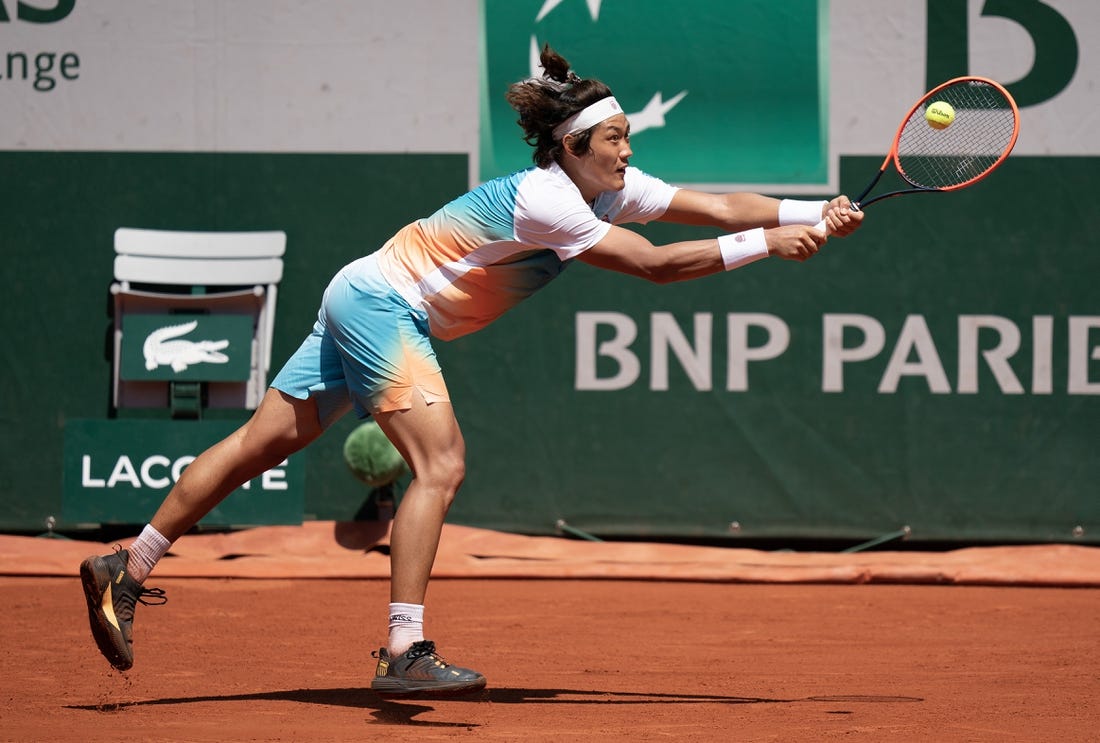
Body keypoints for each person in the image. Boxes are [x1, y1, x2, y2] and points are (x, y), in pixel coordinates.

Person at [80, 44, 863, 695]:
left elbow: (723, 208)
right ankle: (402, 652)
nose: (629, 149)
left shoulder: (610, 188)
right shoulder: (551, 201)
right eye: (616, 138)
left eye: (629, 136)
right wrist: (769, 247)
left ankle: (128, 560)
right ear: (572, 147)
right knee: (442, 462)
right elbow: (657, 269)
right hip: (385, 305)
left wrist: (809, 212)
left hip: (362, 287)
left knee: (261, 443)